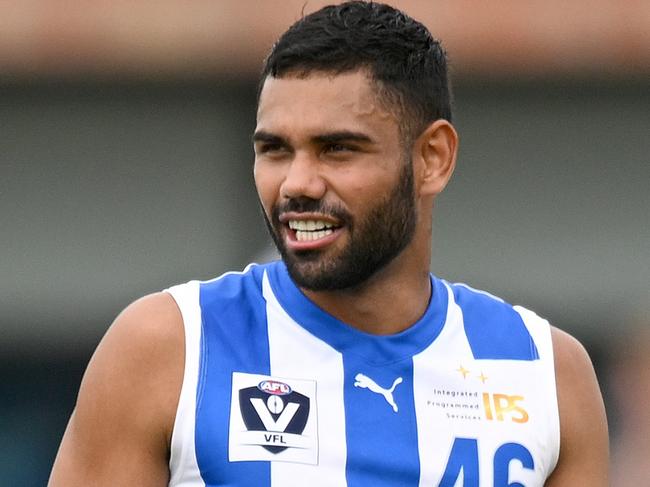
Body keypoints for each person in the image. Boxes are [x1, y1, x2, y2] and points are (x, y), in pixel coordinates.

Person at [49, 2, 608, 486]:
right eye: (274, 150)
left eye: (338, 149)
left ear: (432, 158)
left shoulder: (545, 371)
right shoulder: (167, 348)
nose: (297, 183)